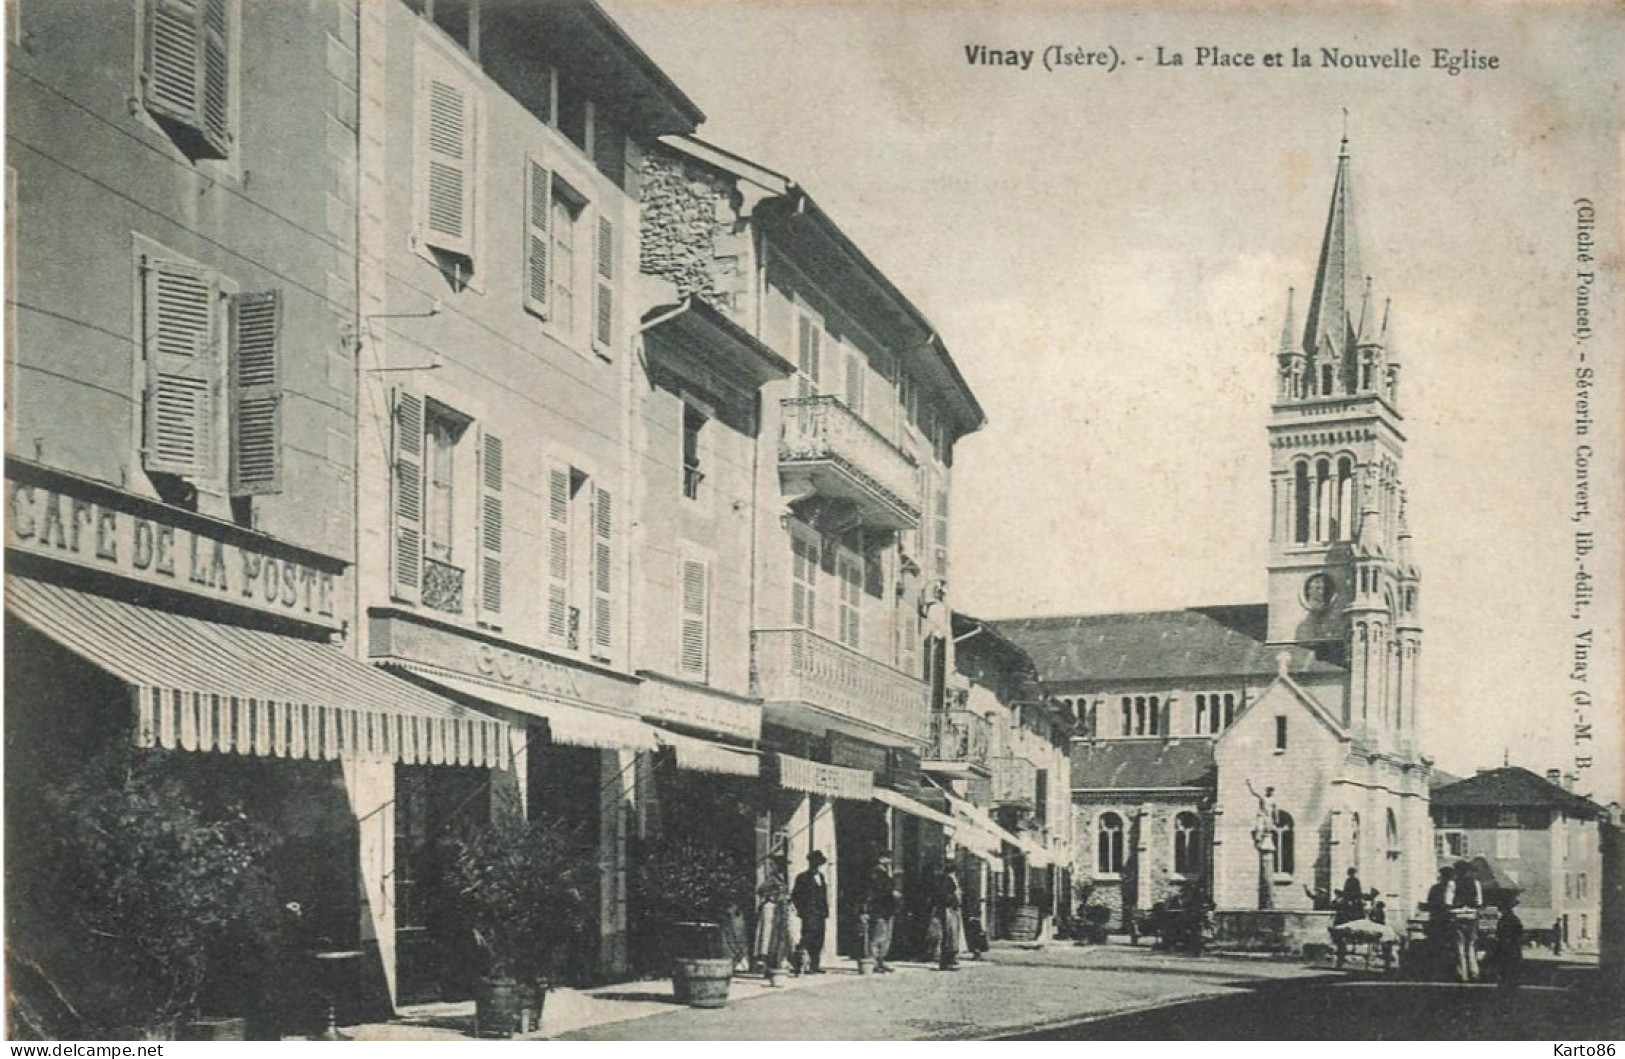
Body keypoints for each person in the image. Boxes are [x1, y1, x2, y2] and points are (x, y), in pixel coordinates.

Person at [790, 851, 830, 974]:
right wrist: (802, 909)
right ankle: (800, 965)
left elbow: (823, 895)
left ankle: (814, 965)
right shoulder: (802, 877)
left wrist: (825, 910)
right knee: (807, 938)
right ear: (810, 863)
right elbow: (795, 895)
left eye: (819, 864)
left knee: (819, 939)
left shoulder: (821, 877)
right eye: (815, 863)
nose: (817, 866)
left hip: (820, 914)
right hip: (809, 914)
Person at [752, 866, 793, 980]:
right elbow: (760, 890)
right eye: (780, 865)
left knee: (778, 936)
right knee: (767, 934)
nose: (782, 869)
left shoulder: (782, 879)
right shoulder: (772, 879)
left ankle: (777, 963)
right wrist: (771, 895)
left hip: (780, 909)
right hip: (771, 907)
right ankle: (764, 962)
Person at [861, 853, 900, 973]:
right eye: (887, 859)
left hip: (887, 910)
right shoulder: (876, 874)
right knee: (878, 937)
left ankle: (881, 961)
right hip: (879, 911)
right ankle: (874, 962)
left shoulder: (886, 874)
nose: (890, 861)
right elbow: (877, 892)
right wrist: (891, 893)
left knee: (885, 938)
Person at [1447, 859, 1483, 983]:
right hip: (1471, 916)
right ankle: (1474, 971)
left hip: (1457, 916)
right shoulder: (1475, 883)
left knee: (1459, 946)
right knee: (1471, 945)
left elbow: (1448, 901)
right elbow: (1479, 902)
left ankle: (1462, 974)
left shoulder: (1453, 883)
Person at [1423, 865, 1454, 981]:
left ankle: (1437, 971)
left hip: (1437, 921)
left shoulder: (1435, 888)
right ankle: (1446, 971)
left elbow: (1429, 903)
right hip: (1446, 921)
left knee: (1436, 947)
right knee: (1446, 946)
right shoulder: (1452, 888)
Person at [932, 865, 965, 970]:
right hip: (948, 910)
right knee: (949, 936)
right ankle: (945, 962)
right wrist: (953, 900)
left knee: (951, 936)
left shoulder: (947, 879)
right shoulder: (947, 880)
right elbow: (944, 896)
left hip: (951, 909)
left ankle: (948, 960)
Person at [1492, 896, 1524, 989]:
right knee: (1513, 964)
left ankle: (1505, 981)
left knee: (1505, 964)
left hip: (1505, 946)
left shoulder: (1504, 920)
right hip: (1514, 946)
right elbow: (1520, 932)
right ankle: (1513, 980)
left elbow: (1499, 933)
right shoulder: (1515, 919)